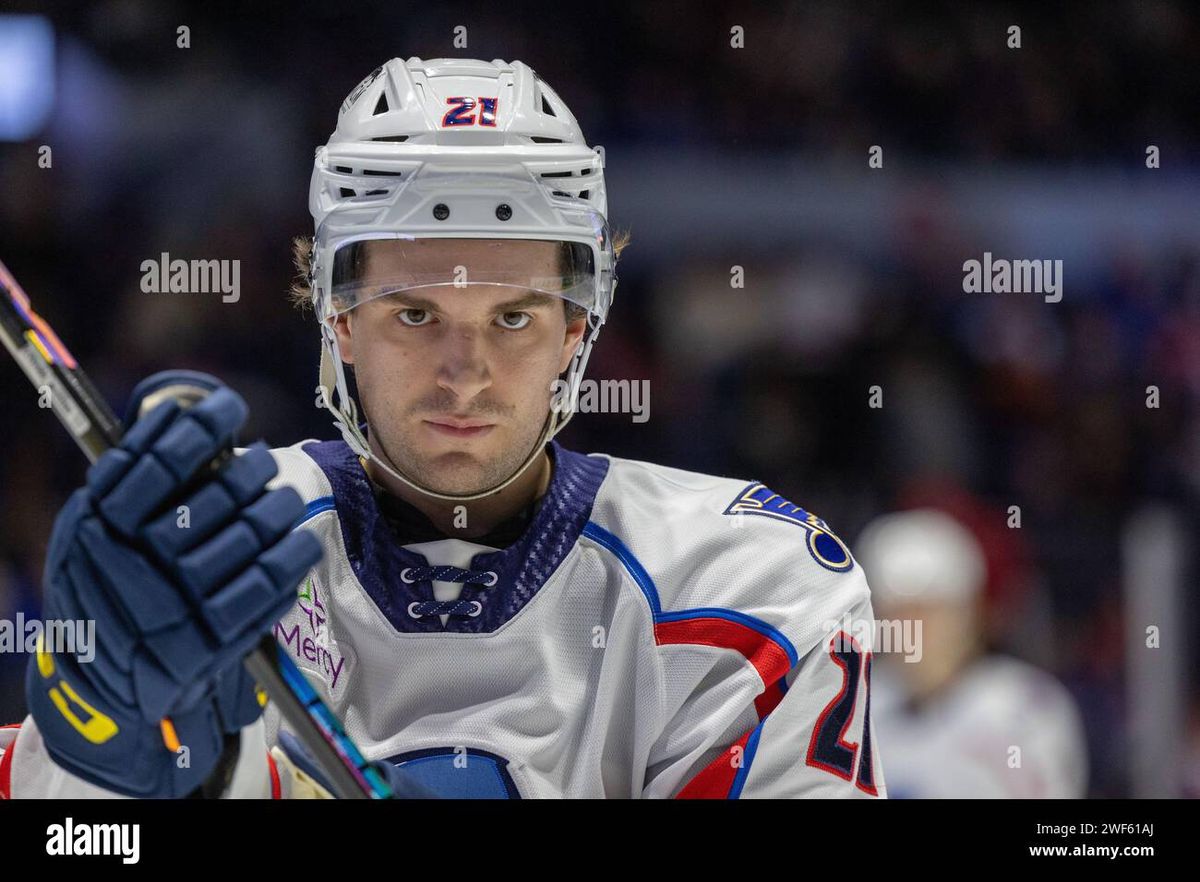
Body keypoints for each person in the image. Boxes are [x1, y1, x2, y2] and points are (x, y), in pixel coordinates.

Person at [0, 57, 884, 799]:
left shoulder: (750, 587)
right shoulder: (200, 550)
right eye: (415, 314)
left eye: (514, 318)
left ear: (578, 328)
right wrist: (99, 745)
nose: (466, 373)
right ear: (337, 319)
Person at [855, 508, 1087, 798]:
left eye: (929, 611)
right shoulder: (858, 706)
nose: (912, 629)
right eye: (897, 613)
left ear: (971, 614)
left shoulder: (1020, 708)